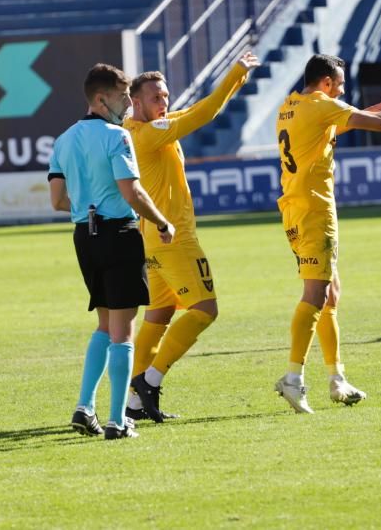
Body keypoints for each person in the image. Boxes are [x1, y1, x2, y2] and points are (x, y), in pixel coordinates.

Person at [273, 53, 381, 414]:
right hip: (314, 212)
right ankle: (292, 378)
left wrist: (376, 108)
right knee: (316, 293)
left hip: (295, 208)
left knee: (330, 295)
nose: (342, 90)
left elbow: (337, 124)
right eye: (339, 85)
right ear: (326, 83)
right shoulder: (322, 105)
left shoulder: (292, 105)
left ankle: (337, 379)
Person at [123, 52, 261, 423]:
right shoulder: (149, 134)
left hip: (151, 240)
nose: (164, 103)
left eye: (166, 96)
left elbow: (193, 110)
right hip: (174, 240)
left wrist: (237, 82)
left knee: (159, 315)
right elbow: (204, 114)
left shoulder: (139, 126)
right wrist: (236, 72)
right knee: (205, 310)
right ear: (136, 102)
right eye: (156, 97)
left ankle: (134, 404)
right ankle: (150, 380)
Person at [48, 63, 175, 440]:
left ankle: (85, 406)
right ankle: (118, 422)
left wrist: (86, 201)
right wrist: (163, 222)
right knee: (123, 333)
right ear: (101, 99)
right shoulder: (116, 137)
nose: (127, 104)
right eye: (123, 97)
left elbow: (57, 200)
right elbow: (131, 191)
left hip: (83, 237)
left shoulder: (64, 139)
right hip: (118, 234)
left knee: (105, 325)